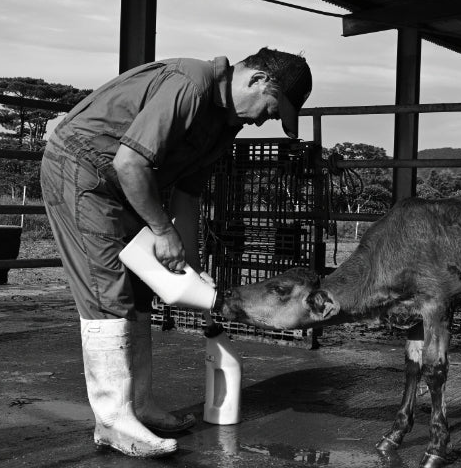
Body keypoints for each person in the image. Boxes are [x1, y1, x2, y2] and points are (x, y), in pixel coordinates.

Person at [39, 47, 312, 457]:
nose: (261, 121)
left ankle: (139, 406)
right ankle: (112, 421)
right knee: (106, 289)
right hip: (82, 169)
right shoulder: (191, 84)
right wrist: (162, 230)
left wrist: (191, 269)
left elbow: (186, 197)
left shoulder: (224, 127)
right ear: (258, 80)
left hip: (127, 185)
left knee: (140, 290)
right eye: (270, 110)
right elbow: (130, 162)